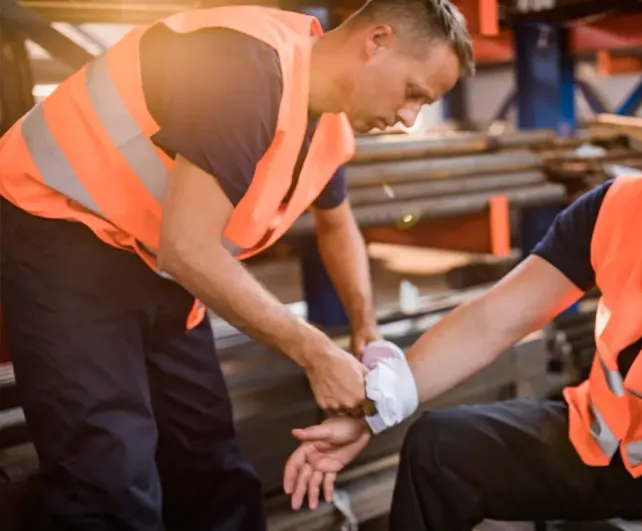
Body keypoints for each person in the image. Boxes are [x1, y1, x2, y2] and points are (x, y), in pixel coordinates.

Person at [283, 77, 642, 530]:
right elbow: (493, 319)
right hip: (595, 439)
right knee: (437, 447)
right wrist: (378, 406)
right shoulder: (616, 206)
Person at [0, 0, 473, 528]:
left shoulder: (327, 125)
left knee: (209, 462)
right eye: (413, 94)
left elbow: (336, 224)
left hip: (156, 256)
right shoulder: (246, 64)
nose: (409, 119)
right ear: (377, 40)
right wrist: (315, 352)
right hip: (63, 229)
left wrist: (365, 332)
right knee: (107, 472)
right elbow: (189, 249)